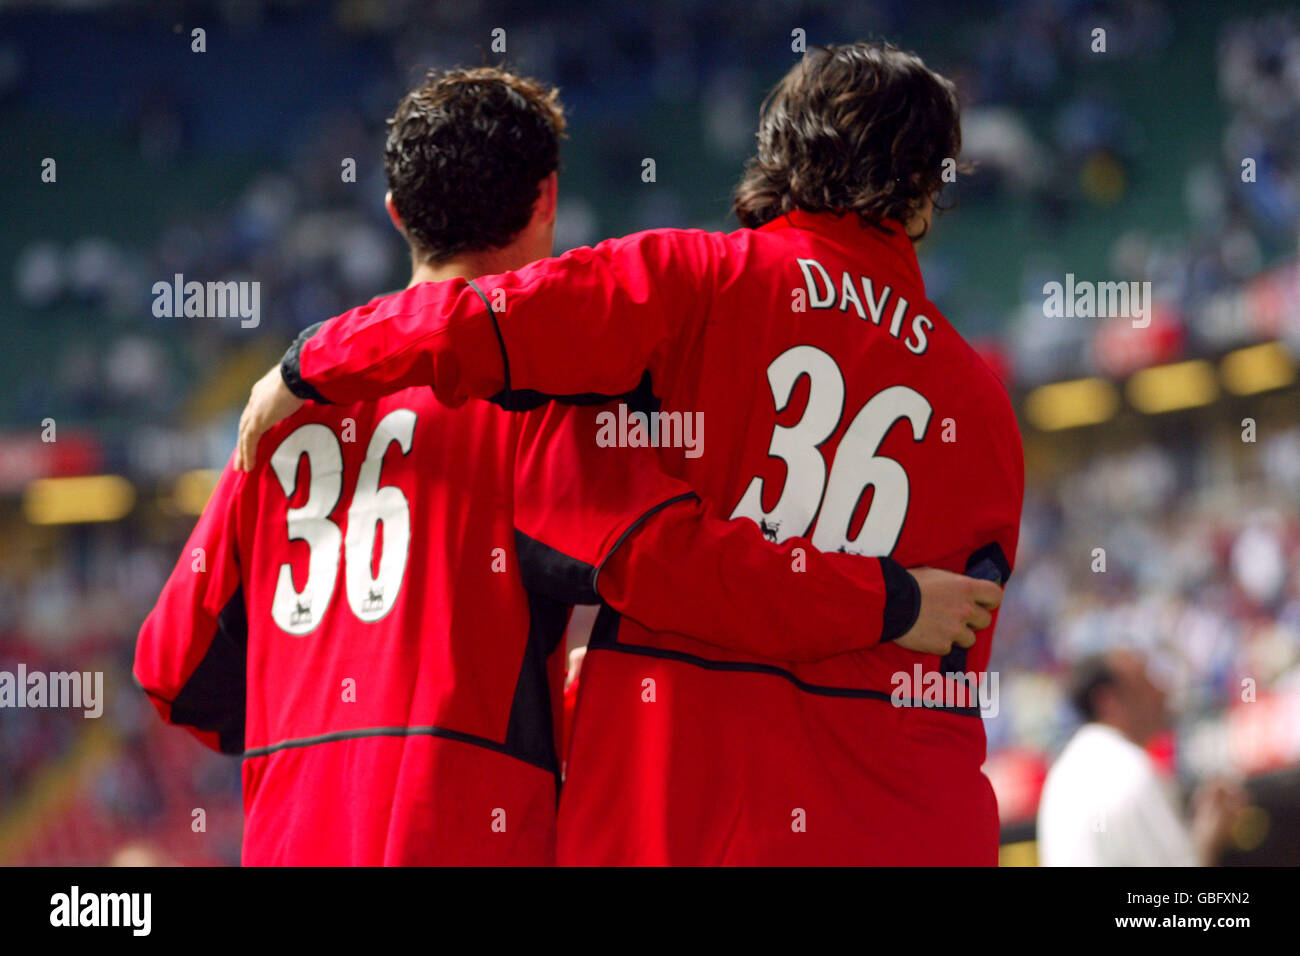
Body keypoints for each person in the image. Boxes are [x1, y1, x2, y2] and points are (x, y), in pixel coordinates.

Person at [138, 65, 997, 865]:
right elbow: (663, 564)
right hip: (482, 828)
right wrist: (890, 601)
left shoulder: (276, 428)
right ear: (548, 200)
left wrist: (323, 725)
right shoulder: (547, 402)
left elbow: (173, 670)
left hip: (291, 829)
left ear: (396, 213)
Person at [1037, 650, 1245, 866]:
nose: (1162, 692)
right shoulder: (1131, 769)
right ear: (1108, 701)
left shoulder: (1061, 776)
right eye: (1147, 682)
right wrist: (1208, 839)